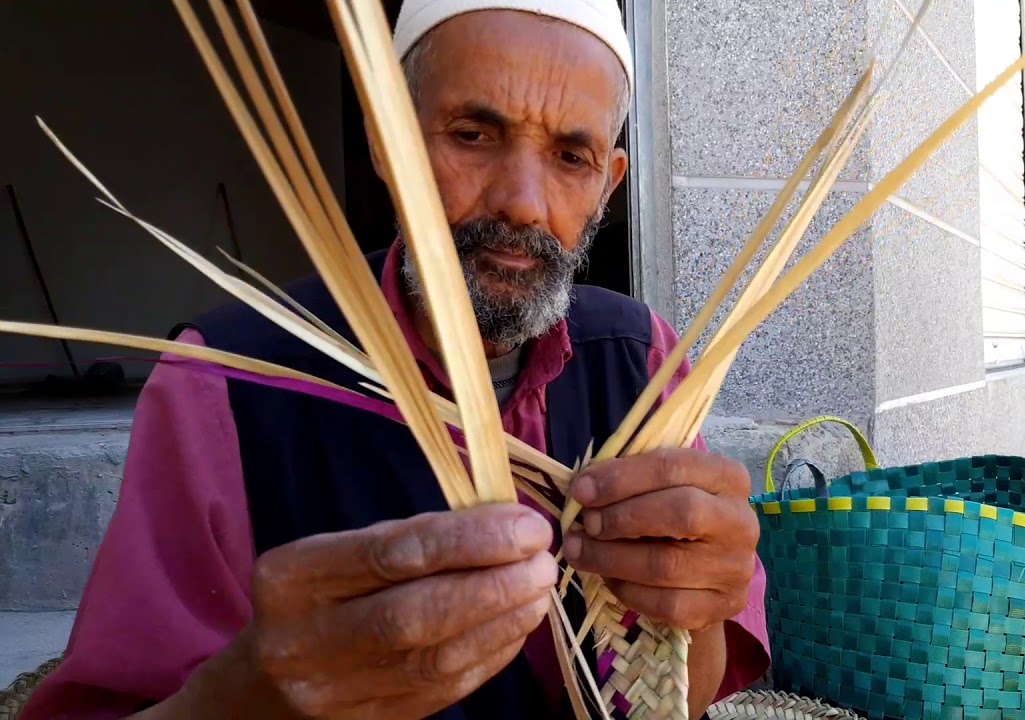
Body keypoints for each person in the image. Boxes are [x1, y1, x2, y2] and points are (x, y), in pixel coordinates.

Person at [20, 1, 770, 718]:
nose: (522, 202)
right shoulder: (229, 381)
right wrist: (253, 694)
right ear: (386, 142)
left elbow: (682, 694)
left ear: (607, 186)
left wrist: (698, 610)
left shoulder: (642, 362)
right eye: (472, 135)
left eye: (571, 157)